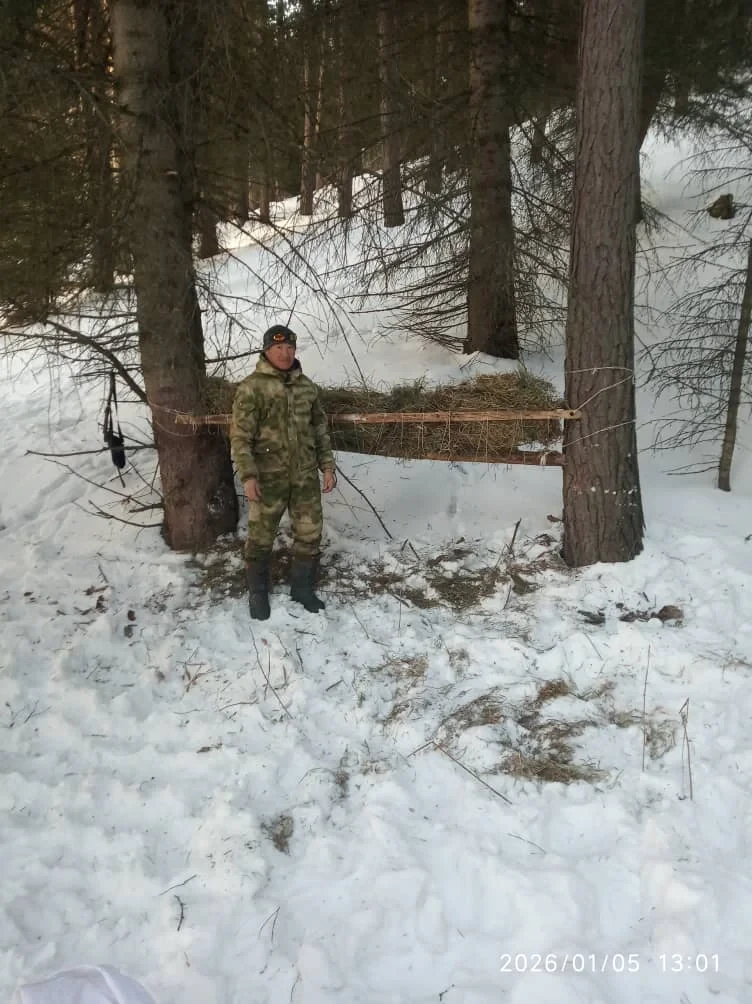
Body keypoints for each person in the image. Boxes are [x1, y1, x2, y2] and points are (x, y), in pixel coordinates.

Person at [230, 324, 336, 620]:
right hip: (268, 478)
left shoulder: (307, 387)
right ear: (266, 350)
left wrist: (327, 466)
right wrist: (248, 476)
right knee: (261, 536)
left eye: (290, 348)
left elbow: (319, 430)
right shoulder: (252, 388)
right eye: (279, 348)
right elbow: (240, 437)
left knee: (310, 532)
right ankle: (258, 593)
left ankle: (301, 588)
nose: (285, 353)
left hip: (303, 477)